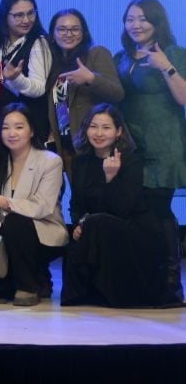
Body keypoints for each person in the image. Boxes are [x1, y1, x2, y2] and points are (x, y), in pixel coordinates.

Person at [114, 0, 186, 303]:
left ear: (157, 22)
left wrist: (166, 67)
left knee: (159, 209)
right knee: (138, 209)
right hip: (132, 145)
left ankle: (171, 280)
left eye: (143, 18)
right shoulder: (121, 57)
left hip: (164, 143)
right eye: (130, 19)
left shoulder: (174, 53)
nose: (136, 25)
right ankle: (145, 276)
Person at [60, 104, 168, 307]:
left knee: (98, 223)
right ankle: (88, 292)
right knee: (78, 233)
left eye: (106, 128)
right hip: (95, 228)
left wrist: (111, 177)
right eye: (93, 126)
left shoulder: (131, 162)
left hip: (132, 230)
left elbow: (122, 209)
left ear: (118, 132)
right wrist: (79, 224)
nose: (99, 133)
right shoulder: (80, 163)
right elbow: (76, 204)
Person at [0, 103, 68, 306]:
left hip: (43, 232)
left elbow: (43, 206)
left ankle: (27, 287)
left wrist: (4, 202)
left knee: (15, 221)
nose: (11, 133)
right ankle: (38, 279)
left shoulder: (50, 161)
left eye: (19, 127)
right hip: (2, 234)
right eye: (6, 127)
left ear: (31, 130)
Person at [45, 8, 124, 176]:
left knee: (98, 200)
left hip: (95, 146)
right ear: (52, 34)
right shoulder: (53, 63)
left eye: (75, 29)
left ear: (84, 32)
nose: (68, 34)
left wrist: (91, 78)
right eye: (62, 29)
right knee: (78, 200)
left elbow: (117, 93)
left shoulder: (96, 53)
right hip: (66, 147)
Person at [0, 0, 52, 140]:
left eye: (31, 13)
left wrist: (16, 79)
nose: (26, 20)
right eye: (19, 15)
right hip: (1, 120)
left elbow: (39, 89)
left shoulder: (39, 41)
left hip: (30, 123)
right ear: (5, 16)